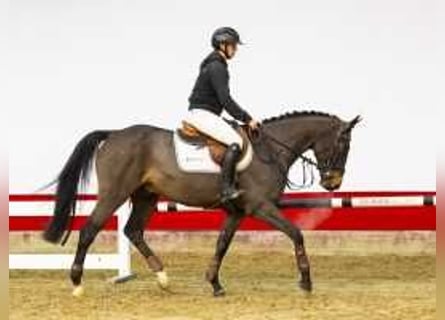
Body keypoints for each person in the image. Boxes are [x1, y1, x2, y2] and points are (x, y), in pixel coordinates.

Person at [186, 26, 260, 203]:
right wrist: (247, 118)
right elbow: (225, 99)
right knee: (235, 142)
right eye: (233, 45)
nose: (235, 49)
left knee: (233, 133)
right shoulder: (217, 67)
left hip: (205, 113)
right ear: (222, 45)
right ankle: (227, 189)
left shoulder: (213, 65)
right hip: (203, 114)